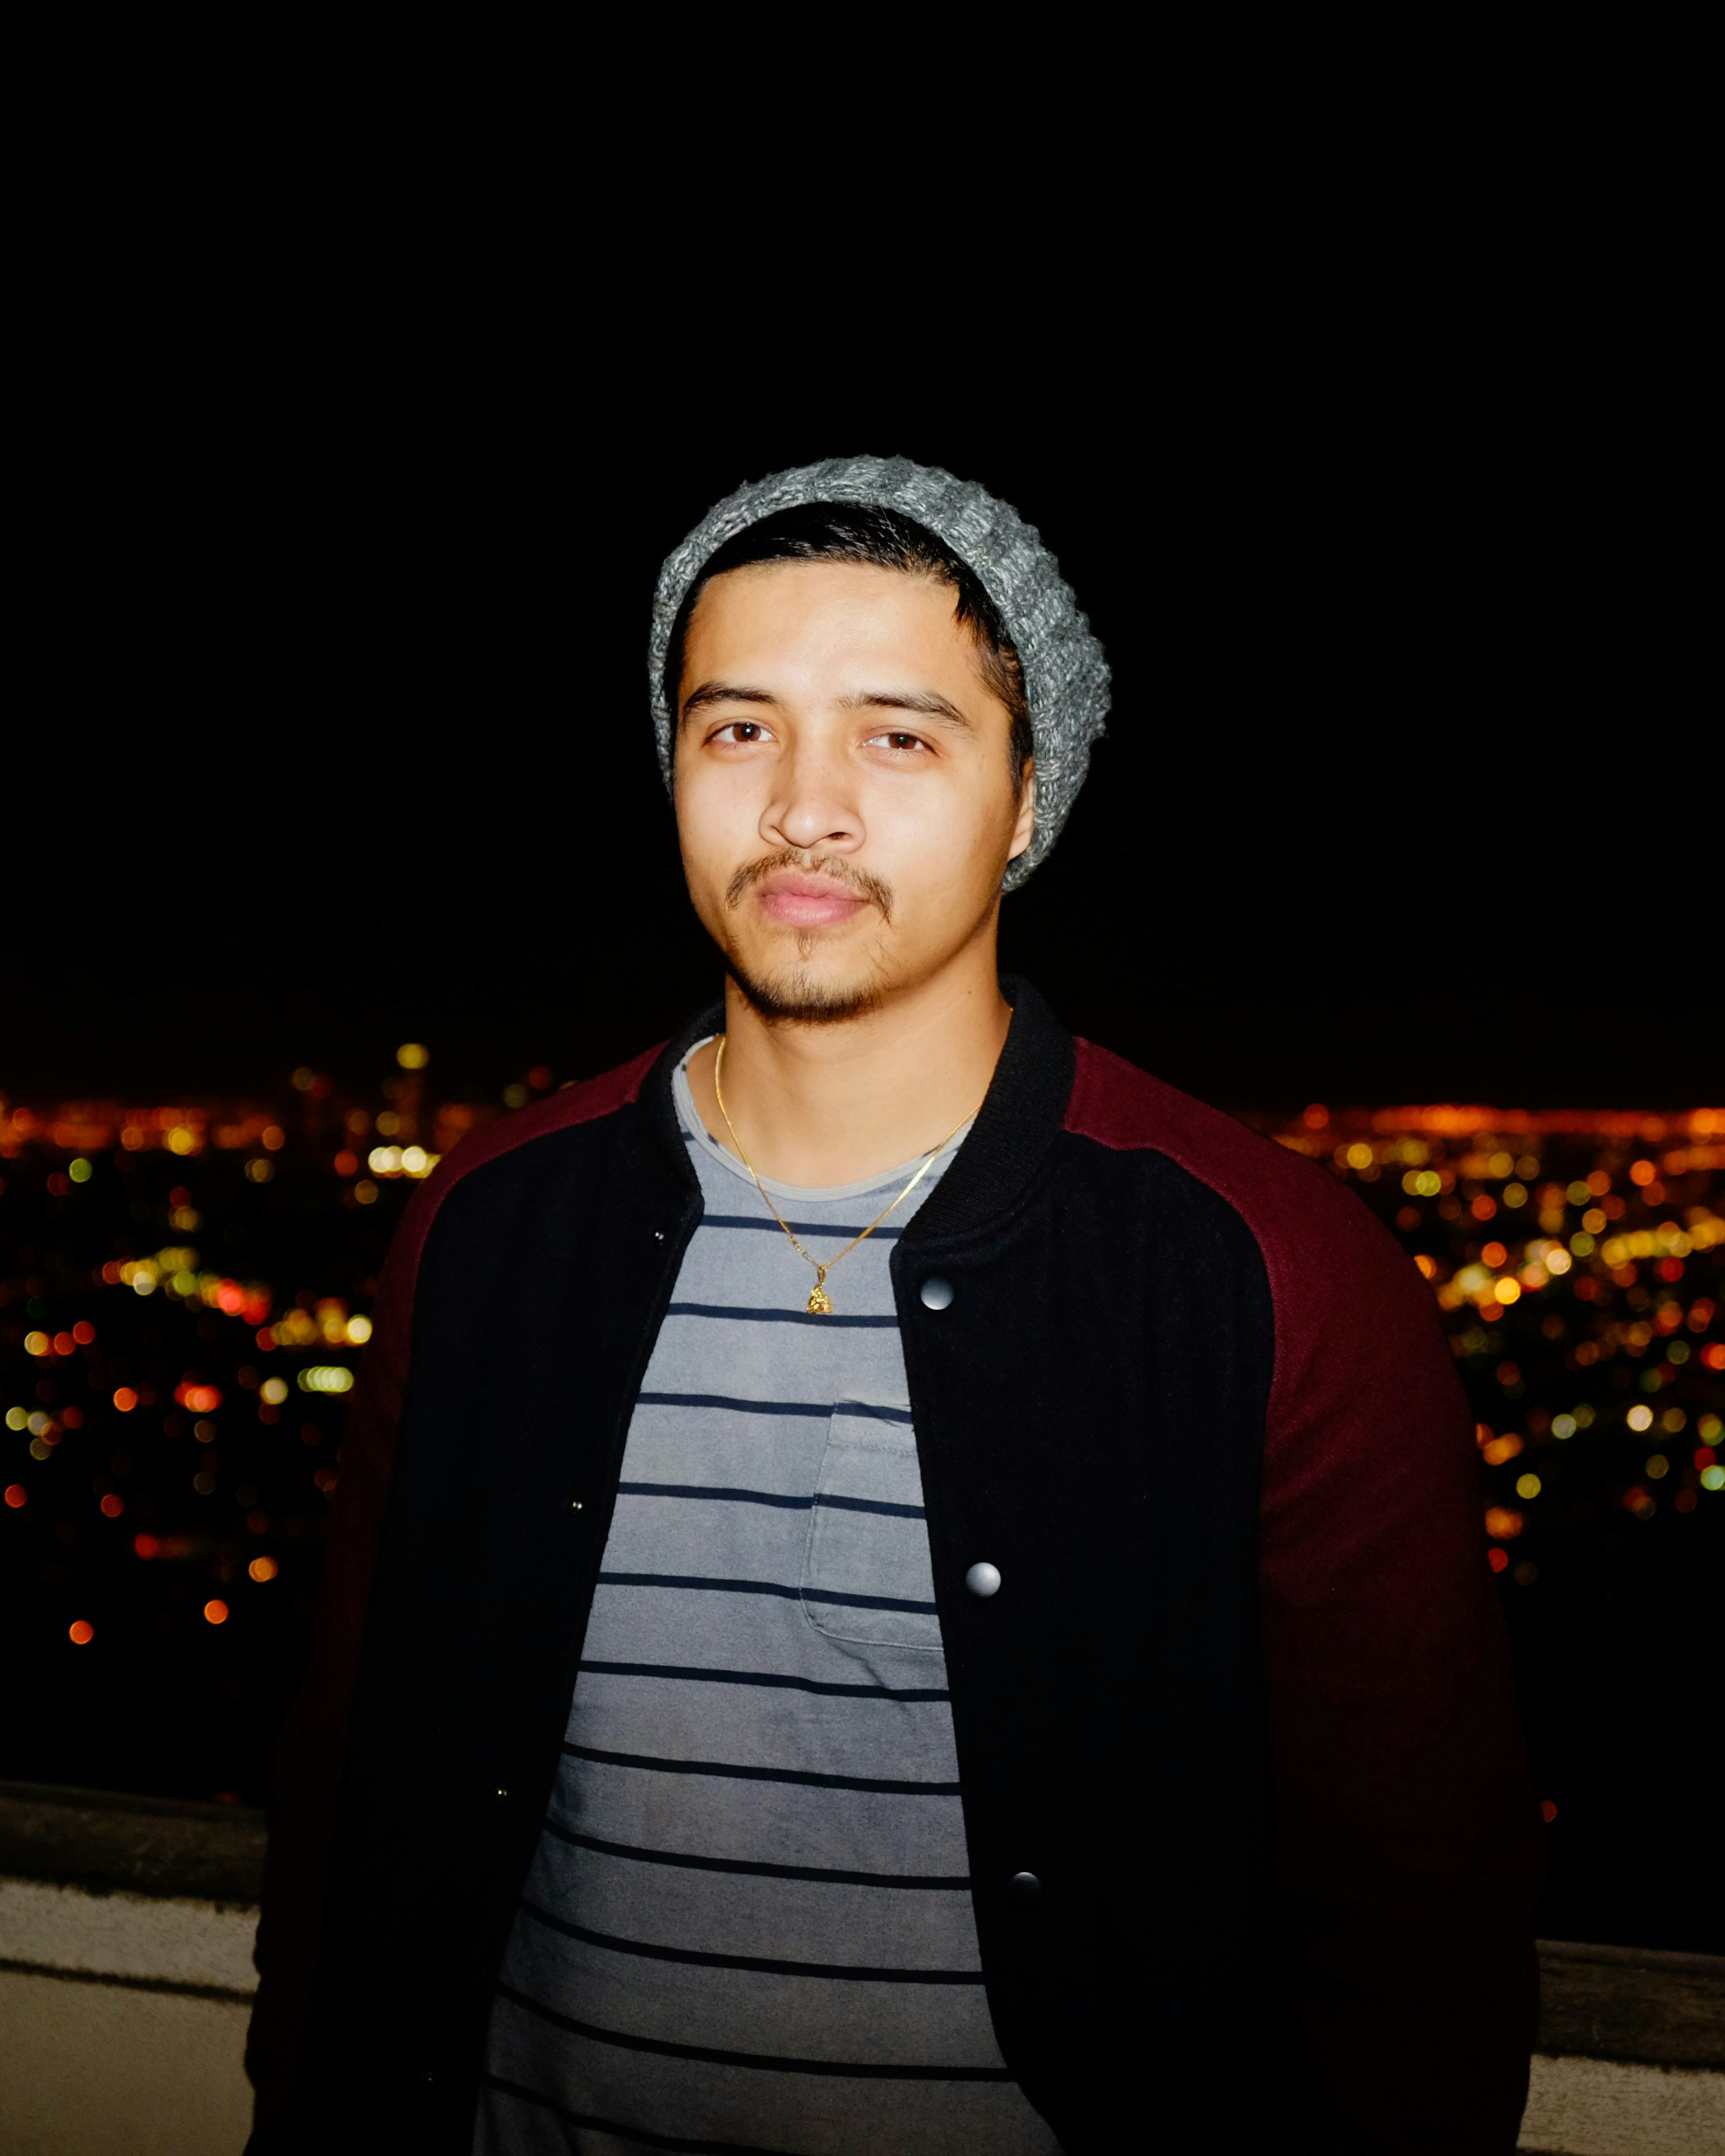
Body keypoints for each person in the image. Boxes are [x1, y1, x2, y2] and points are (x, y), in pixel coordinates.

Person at [246, 456, 1541, 2154]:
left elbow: (1420, 1928)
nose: (804, 808)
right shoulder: (491, 1233)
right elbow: (359, 1799)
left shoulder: (1265, 1270)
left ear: (1026, 800)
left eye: (899, 734)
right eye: (739, 729)